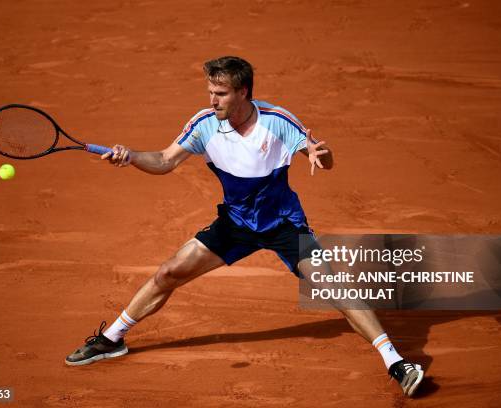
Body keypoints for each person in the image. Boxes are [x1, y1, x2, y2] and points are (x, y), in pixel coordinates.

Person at [65, 56, 424, 397]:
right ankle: (112, 339)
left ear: (243, 92)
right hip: (236, 222)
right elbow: (163, 160)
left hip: (283, 224)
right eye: (210, 91)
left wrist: (320, 154)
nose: (212, 99)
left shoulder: (277, 120)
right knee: (169, 273)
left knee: (331, 285)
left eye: (220, 93)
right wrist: (130, 157)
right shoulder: (204, 124)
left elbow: (321, 157)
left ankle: (397, 362)